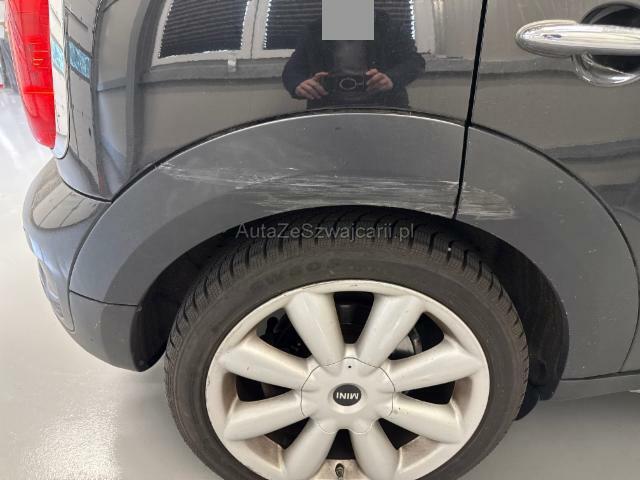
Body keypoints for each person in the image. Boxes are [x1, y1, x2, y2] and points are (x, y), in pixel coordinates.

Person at [282, 10, 425, 109]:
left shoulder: (388, 26)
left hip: (384, 106)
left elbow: (414, 62)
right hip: (328, 108)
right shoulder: (315, 29)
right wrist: (298, 84)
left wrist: (391, 78)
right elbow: (293, 68)